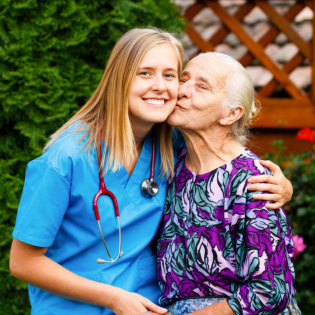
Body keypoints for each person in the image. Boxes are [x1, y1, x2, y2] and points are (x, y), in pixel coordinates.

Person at [9, 28, 291, 315]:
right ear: (119, 79)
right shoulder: (64, 159)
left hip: (149, 306)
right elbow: (22, 262)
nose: (164, 87)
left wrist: (280, 184)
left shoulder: (170, 143)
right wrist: (113, 298)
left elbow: (224, 154)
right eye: (145, 73)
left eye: (170, 76)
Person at [157, 52, 301, 315]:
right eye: (184, 79)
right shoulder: (172, 159)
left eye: (202, 86)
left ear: (230, 114)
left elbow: (270, 291)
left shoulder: (252, 182)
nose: (182, 91)